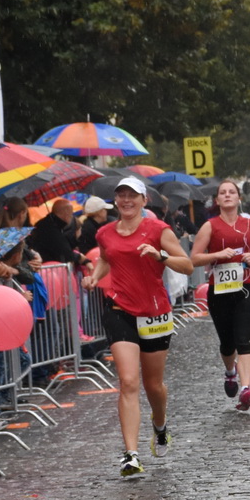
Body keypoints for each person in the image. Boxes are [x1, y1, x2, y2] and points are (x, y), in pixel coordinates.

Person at [81, 176, 194, 476]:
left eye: (133, 195)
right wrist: (94, 276)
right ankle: (130, 455)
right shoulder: (105, 232)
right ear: (115, 201)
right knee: (128, 381)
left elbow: (187, 265)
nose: (126, 200)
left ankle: (160, 426)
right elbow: (106, 259)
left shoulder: (158, 230)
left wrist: (161, 255)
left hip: (155, 312)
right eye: (121, 195)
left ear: (144, 200)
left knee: (152, 385)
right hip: (119, 310)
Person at [189, 179, 250, 411]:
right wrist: (218, 254)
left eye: (231, 192)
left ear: (238, 198)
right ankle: (230, 371)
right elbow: (194, 258)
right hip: (220, 291)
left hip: (247, 288)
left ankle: (246, 389)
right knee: (227, 343)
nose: (227, 195)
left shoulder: (249, 223)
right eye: (222, 193)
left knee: (244, 340)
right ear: (217, 200)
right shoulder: (210, 226)